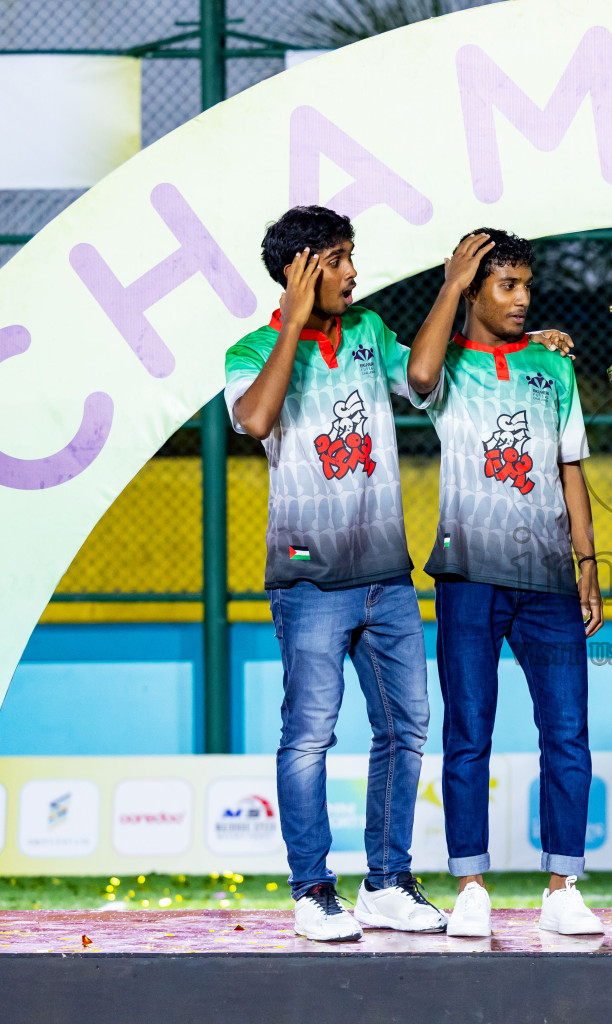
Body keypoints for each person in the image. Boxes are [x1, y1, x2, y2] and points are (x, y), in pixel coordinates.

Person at [224, 205, 445, 941]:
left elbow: (423, 379)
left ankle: (386, 883)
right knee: (311, 734)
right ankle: (312, 891)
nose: (353, 272)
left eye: (352, 256)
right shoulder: (251, 349)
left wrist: (508, 338)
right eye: (338, 259)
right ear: (302, 270)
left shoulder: (371, 334)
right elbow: (256, 421)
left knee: (406, 728)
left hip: (386, 573)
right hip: (309, 581)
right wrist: (290, 321)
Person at [407, 228, 605, 938]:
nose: (523, 299)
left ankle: (563, 885)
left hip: (549, 581)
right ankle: (470, 885)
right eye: (507, 285)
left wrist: (586, 563)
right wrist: (452, 285)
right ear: (472, 286)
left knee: (568, 733)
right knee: (468, 734)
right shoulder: (444, 359)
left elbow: (569, 468)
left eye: (527, 285)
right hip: (467, 578)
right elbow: (420, 379)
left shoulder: (554, 369)